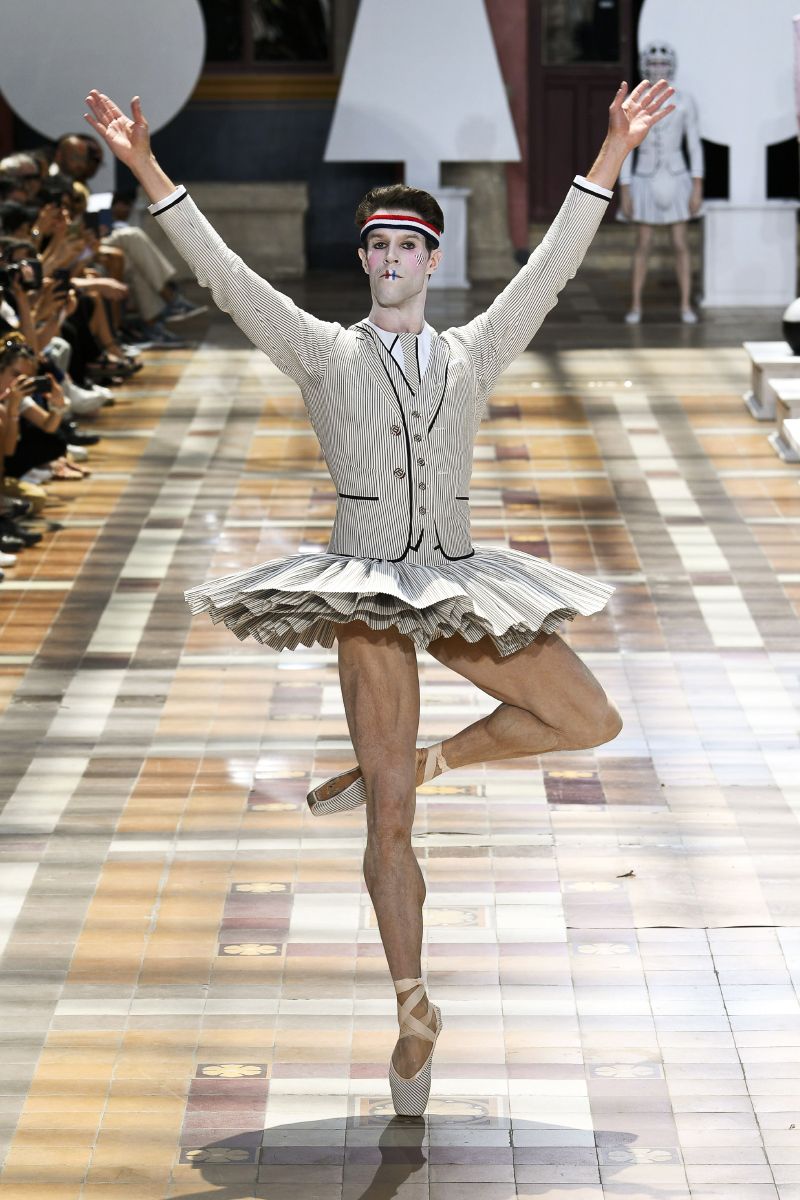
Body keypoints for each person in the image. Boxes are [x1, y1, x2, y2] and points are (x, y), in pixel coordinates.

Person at [85, 77, 675, 1117]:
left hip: (456, 575)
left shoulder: (472, 351)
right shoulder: (322, 353)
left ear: (432, 260)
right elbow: (225, 276)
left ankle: (423, 761)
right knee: (389, 820)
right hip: (364, 587)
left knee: (588, 718)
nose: (392, 258)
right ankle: (412, 1011)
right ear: (363, 260)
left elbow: (551, 266)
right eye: (378, 246)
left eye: (408, 245)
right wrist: (144, 166)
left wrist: (614, 149)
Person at [619, 42, 704, 324]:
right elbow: (625, 146)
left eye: (663, 64)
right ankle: (635, 305)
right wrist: (625, 187)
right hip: (644, 177)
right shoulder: (634, 100)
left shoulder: (685, 100)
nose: (658, 69)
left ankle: (685, 305)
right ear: (645, 65)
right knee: (643, 243)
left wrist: (697, 184)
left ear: (671, 66)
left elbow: (694, 145)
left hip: (677, 176)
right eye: (653, 63)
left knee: (681, 243)